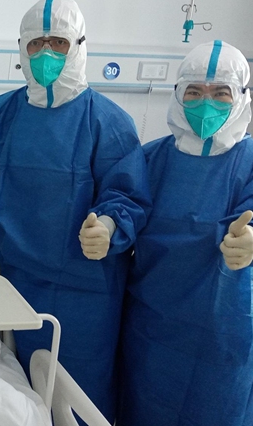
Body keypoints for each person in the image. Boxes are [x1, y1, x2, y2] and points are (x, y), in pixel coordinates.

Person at [0, 0, 151, 423]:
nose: (47, 54)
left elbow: (128, 195)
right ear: (21, 49)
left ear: (80, 46)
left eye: (59, 43)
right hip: (12, 282)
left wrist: (109, 227)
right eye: (36, 44)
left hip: (86, 292)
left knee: (78, 394)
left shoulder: (108, 122)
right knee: (12, 395)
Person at [119, 40, 253, 426]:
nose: (205, 102)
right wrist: (108, 224)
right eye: (193, 92)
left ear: (241, 98)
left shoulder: (248, 162)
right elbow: (123, 205)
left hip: (226, 331)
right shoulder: (150, 158)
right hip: (153, 327)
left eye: (220, 93)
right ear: (178, 95)